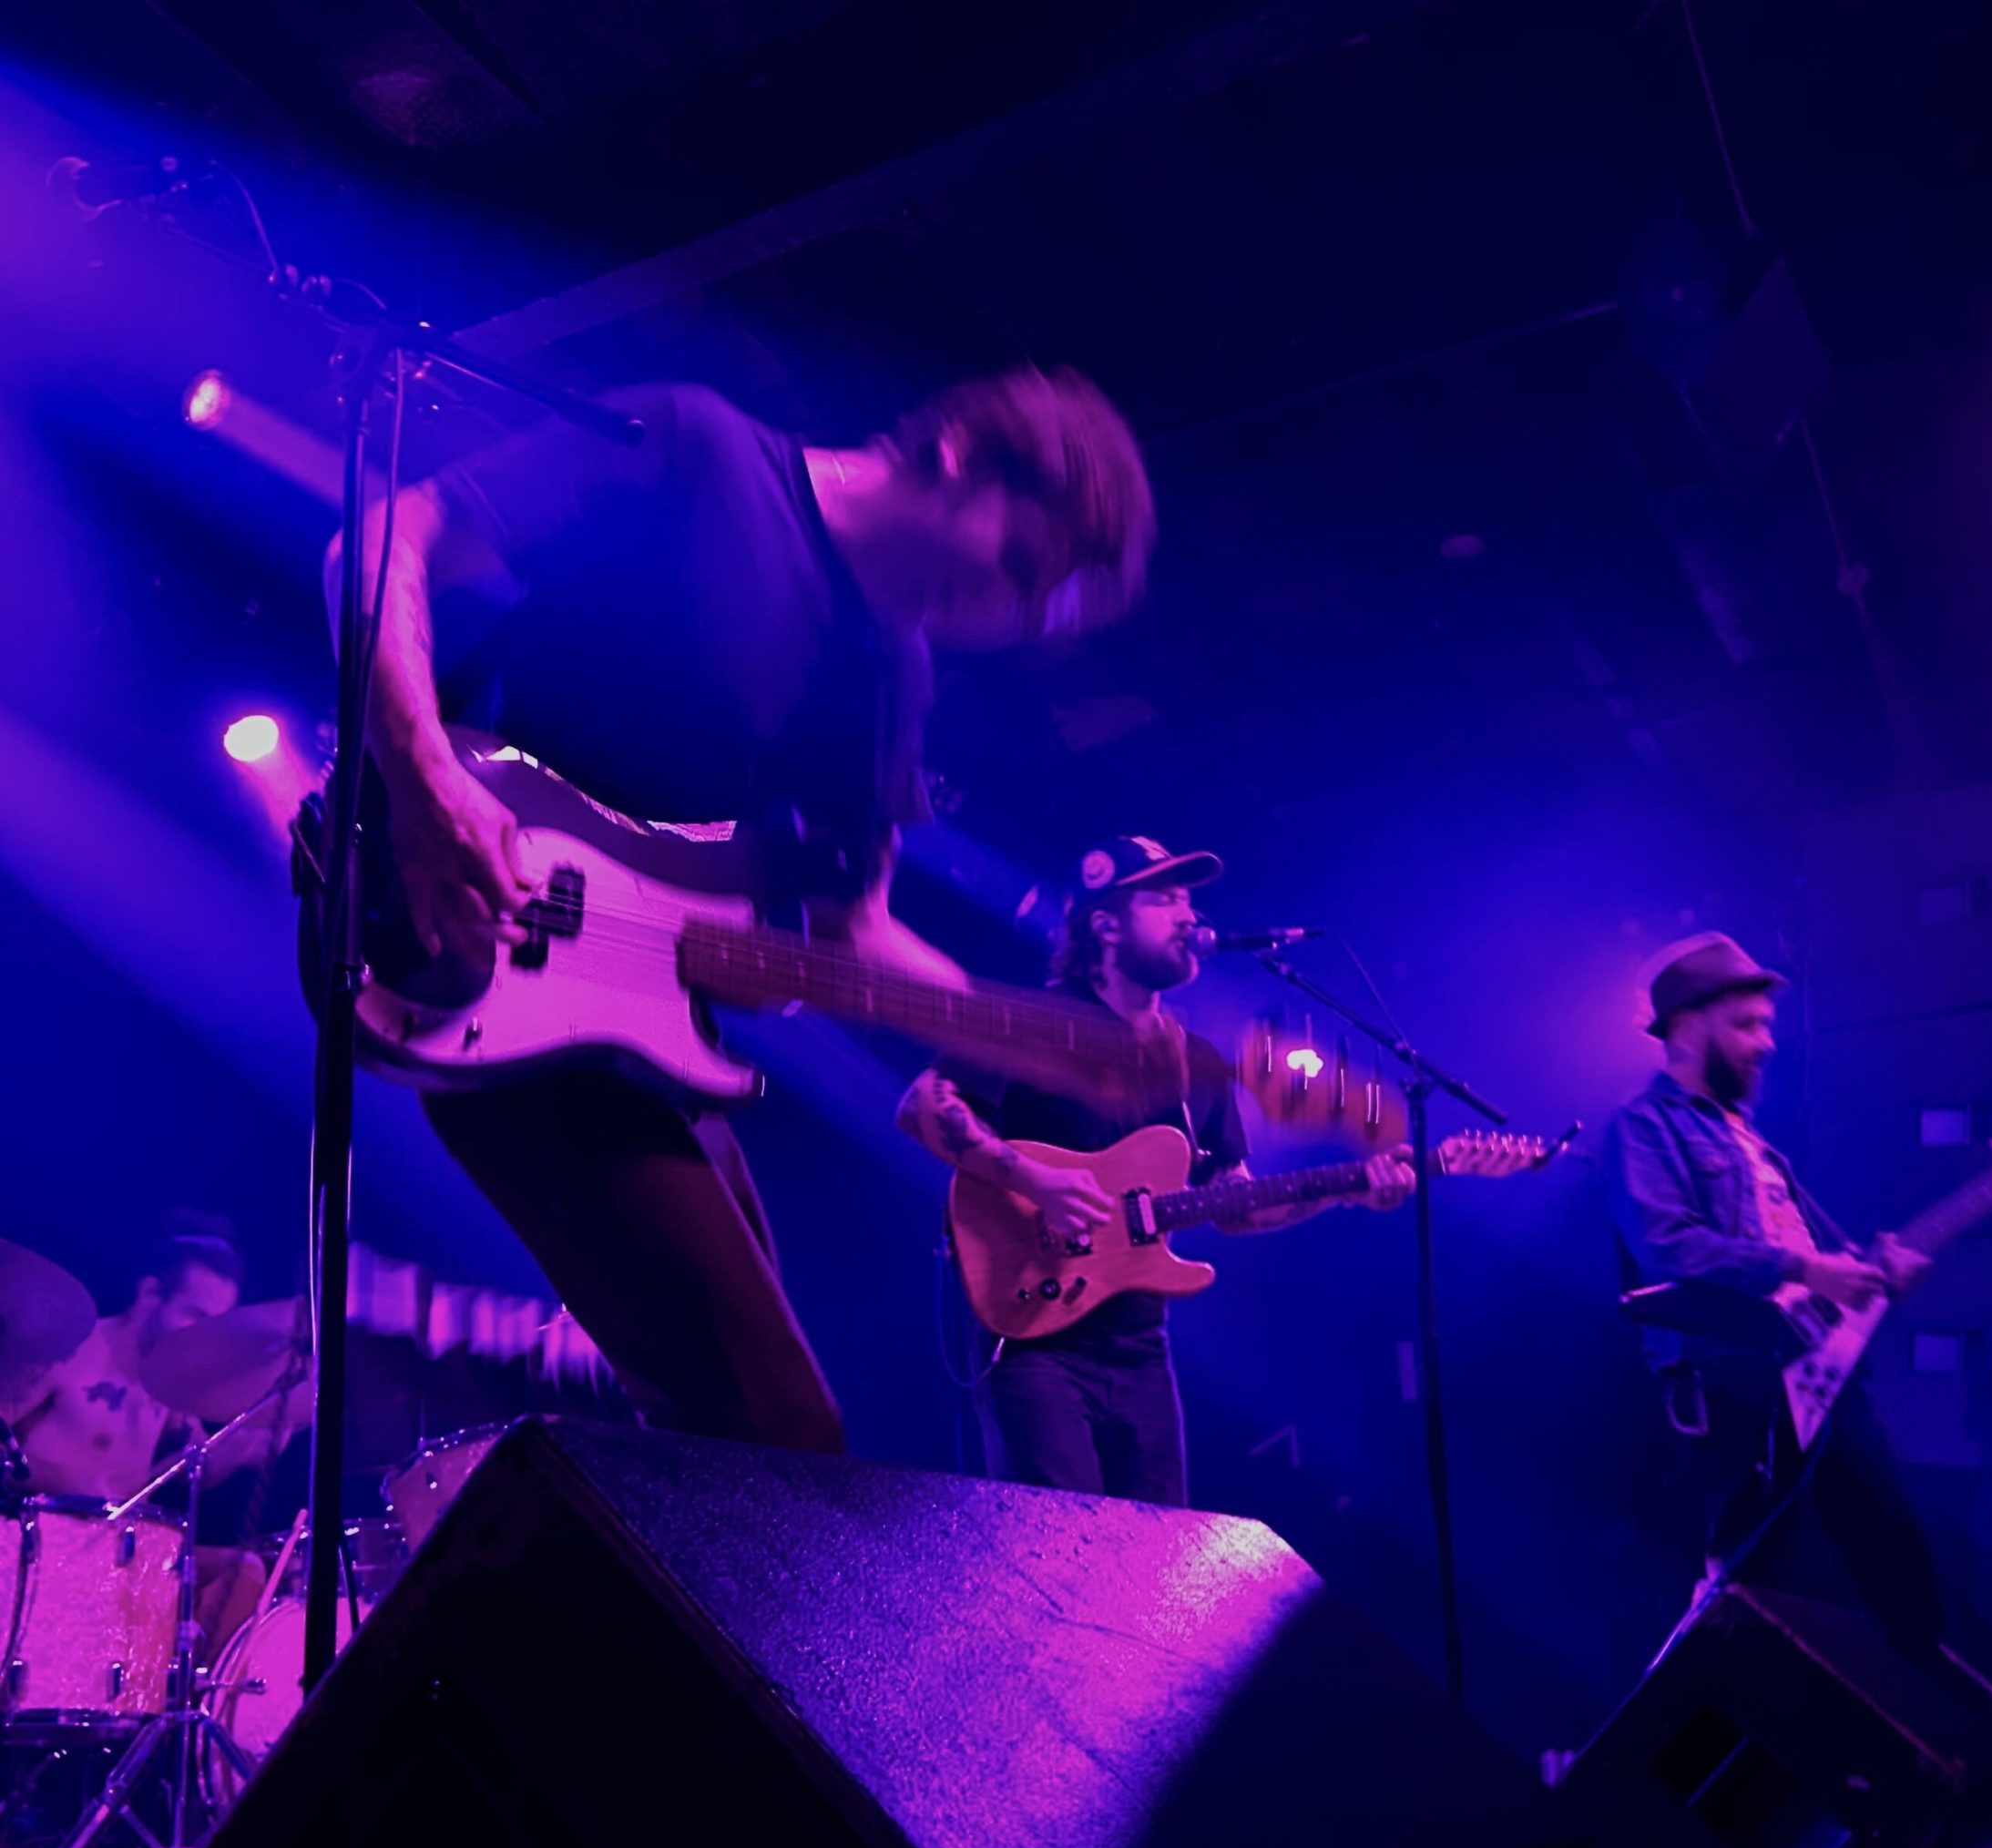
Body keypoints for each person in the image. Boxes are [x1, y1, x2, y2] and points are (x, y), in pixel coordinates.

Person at [339, 365, 1157, 1453]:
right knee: (774, 1440)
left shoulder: (890, 679)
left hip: (641, 1029)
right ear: (961, 455)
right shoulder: (700, 449)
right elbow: (394, 529)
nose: (1011, 617)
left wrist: (1043, 1043)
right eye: (1019, 565)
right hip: (474, 944)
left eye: (1036, 607)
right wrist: (421, 776)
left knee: (738, 1444)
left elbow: (850, 932)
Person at [897, 836, 1413, 1505]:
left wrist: (1346, 1190)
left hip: (1140, 1347)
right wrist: (1037, 1182)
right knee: (1062, 1549)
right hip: (1034, 1338)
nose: (1188, 916)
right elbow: (922, 1105)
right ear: (1105, 924)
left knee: (1156, 1563)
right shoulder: (1035, 1021)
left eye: (1189, 899)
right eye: (1164, 899)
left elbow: (1237, 1205)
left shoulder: (1191, 1058)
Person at [1605, 932, 1946, 1659]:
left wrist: (1875, 1271)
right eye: (1748, 1025)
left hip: (1816, 1369)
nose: (1766, 1045)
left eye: (1766, 1027)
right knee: (1753, 1587)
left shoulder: (1758, 1147)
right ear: (1690, 1026)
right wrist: (1804, 1269)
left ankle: (1928, 1743)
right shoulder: (1643, 1128)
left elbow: (1823, 1262)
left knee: (1897, 1564)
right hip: (1734, 1378)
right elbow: (1668, 1245)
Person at [5, 1216, 280, 1654]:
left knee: (243, 1571)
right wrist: (69, 1482)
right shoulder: (71, 1348)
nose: (203, 1337)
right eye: (194, 1315)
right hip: (42, 1547)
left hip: (126, 1553)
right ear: (150, 1294)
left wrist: (243, 1447)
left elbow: (180, 1472)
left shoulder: (173, 1384)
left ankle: (196, 1707)